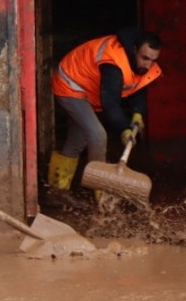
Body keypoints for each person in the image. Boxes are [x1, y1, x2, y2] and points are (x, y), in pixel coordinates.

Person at [47, 28, 162, 199]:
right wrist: (124, 128)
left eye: (153, 60)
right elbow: (110, 102)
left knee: (77, 140)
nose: (148, 65)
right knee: (97, 135)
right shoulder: (114, 63)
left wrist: (138, 113)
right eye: (145, 58)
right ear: (134, 49)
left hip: (86, 90)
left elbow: (138, 87)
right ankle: (101, 193)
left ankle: (57, 192)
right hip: (70, 85)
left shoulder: (139, 64)